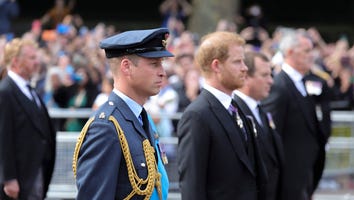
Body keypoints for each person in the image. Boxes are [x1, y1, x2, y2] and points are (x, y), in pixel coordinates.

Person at [72, 27, 174, 200]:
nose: (162, 72)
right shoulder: (106, 127)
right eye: (154, 64)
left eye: (162, 64)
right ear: (126, 67)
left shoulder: (141, 117)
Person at [177, 31, 268, 200]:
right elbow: (192, 186)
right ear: (216, 66)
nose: (245, 68)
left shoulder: (236, 108)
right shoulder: (197, 116)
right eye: (237, 62)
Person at [261, 30, 326, 200]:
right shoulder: (279, 86)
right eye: (306, 51)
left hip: (303, 174)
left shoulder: (303, 82)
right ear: (290, 52)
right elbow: (271, 136)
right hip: (287, 178)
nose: (311, 55)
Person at [0, 38, 56, 199]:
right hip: (20, 178)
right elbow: (3, 138)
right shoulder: (5, 92)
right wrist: (8, 178)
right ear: (16, 62)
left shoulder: (29, 89)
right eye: (32, 58)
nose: (37, 62)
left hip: (34, 173)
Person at [233, 51, 284, 200]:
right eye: (264, 75)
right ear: (246, 77)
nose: (271, 81)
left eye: (270, 74)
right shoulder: (236, 112)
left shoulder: (260, 110)